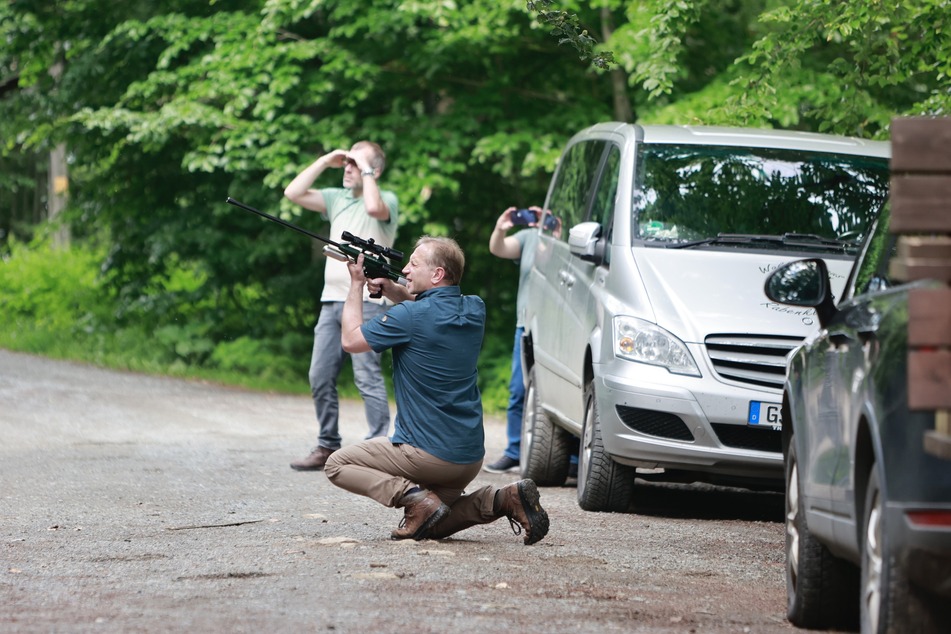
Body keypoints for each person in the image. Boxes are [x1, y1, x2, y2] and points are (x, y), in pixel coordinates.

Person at [323, 237, 550, 545]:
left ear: (437, 275)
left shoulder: (408, 316)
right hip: (467, 458)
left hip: (425, 454)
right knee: (434, 521)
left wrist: (355, 285)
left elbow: (351, 340)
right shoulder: (474, 309)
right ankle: (504, 499)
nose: (405, 269)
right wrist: (393, 290)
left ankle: (412, 496)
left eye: (414, 264)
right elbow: (430, 309)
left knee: (336, 464)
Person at [283, 140, 398, 471]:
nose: (347, 168)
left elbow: (375, 209)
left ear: (372, 171)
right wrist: (325, 161)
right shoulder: (337, 198)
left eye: (354, 164)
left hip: (369, 302)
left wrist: (364, 167)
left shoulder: (386, 200)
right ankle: (327, 445)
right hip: (331, 299)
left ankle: (379, 447)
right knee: (319, 375)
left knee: (366, 376)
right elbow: (293, 192)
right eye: (346, 164)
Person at [482, 206, 544, 474]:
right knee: (518, 391)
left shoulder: (562, 241)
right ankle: (514, 452)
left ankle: (573, 460)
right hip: (526, 326)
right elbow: (498, 249)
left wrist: (557, 231)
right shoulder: (529, 238)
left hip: (559, 330)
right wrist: (500, 228)